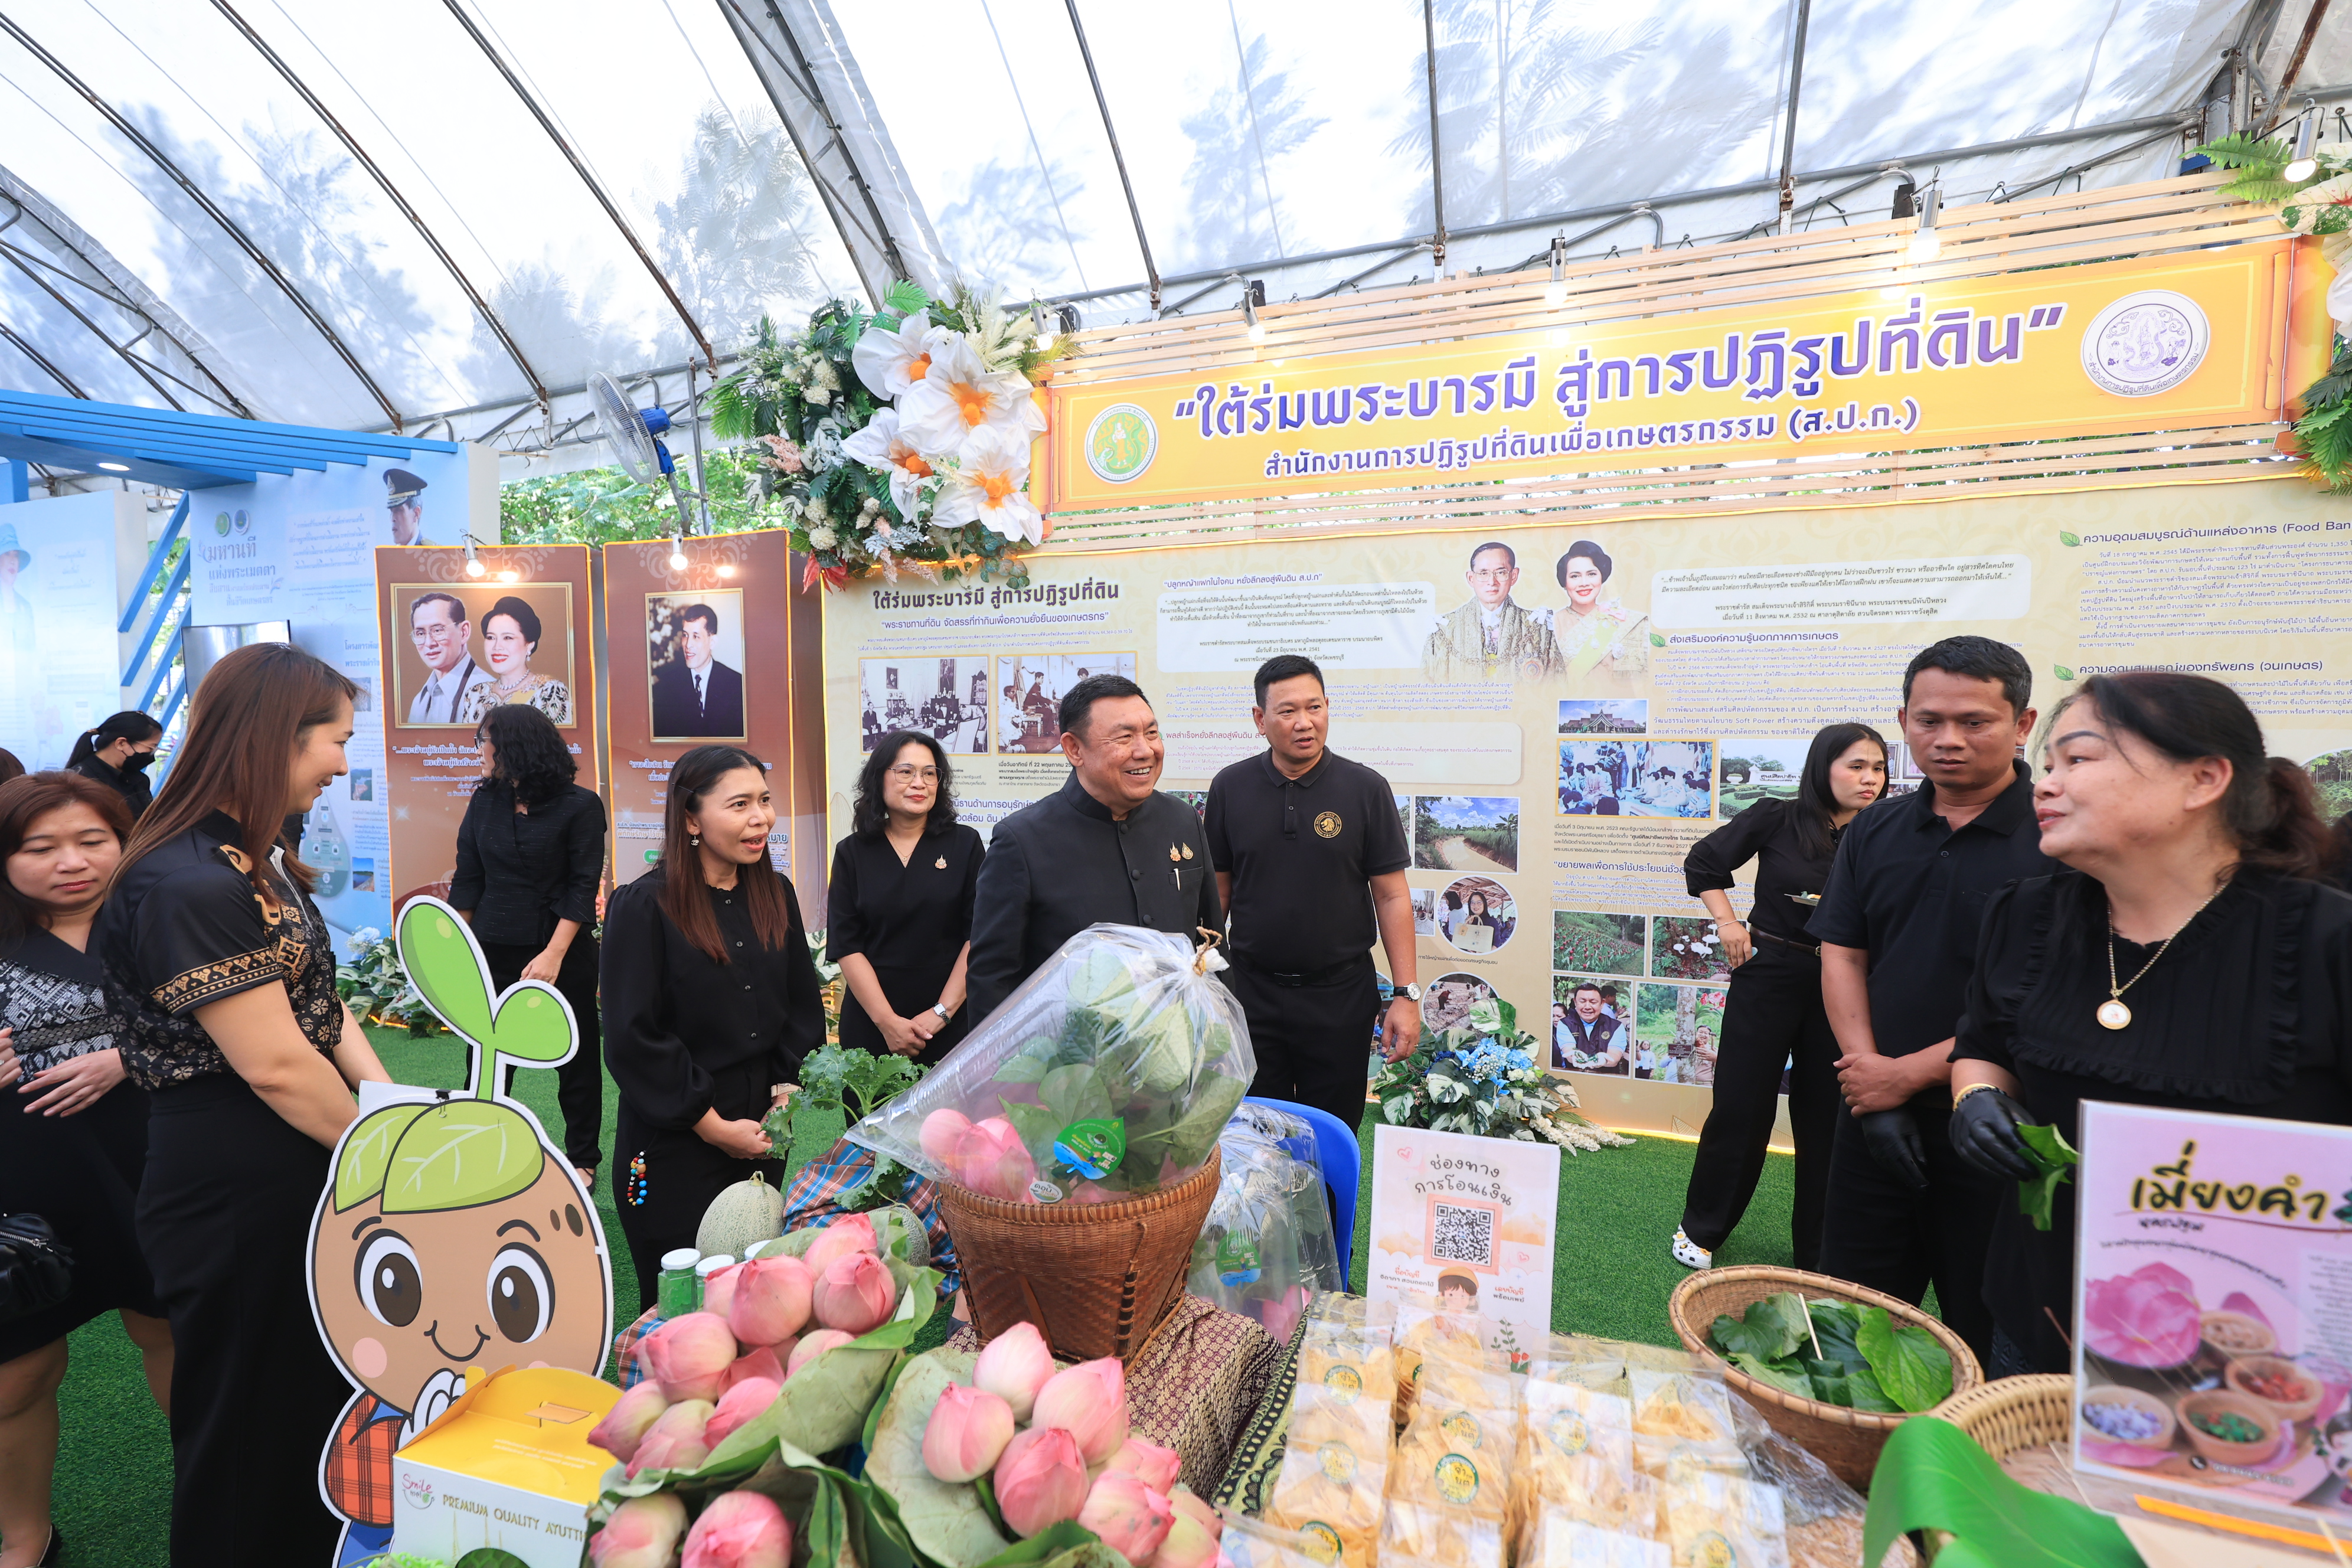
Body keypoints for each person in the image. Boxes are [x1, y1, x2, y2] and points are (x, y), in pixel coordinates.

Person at [1947, 672, 2352, 1376]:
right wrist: (1975, 1096)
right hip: (2042, 1322)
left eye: (2078, 759)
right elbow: (1983, 1045)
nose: (2045, 784)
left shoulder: (2326, 941)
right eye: (2048, 764)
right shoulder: (2025, 915)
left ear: (2203, 780)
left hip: (2260, 1359)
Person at [93, 642, 392, 1566]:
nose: (341, 762)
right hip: (232, 1172)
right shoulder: (188, 878)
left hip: (291, 1157)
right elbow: (276, 1066)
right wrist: (389, 1157)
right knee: (247, 1431)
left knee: (308, 1404)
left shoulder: (246, 857)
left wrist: (391, 1108)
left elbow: (320, 1010)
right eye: (335, 740)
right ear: (277, 736)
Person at [1811, 636, 2051, 1363]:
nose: (1948, 739)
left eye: (1974, 721)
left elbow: (2042, 994)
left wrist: (1907, 1076)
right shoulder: (1876, 827)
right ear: (1903, 722)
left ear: (2022, 723)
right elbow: (1843, 951)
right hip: (1871, 1115)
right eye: (1928, 720)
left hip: (1996, 1127)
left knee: (1985, 1334)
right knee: (1849, 1324)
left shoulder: (2058, 836)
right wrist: (1871, 1081)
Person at [0, 773, 172, 1568]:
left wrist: (126, 1057)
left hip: (158, 1164)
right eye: (41, 847)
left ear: (125, 841)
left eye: (92, 841)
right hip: (24, 1188)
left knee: (170, 1333)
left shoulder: (167, 918)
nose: (71, 862)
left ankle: (216, 1496)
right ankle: (24, 1536)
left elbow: (245, 1030)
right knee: (17, 1375)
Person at [600, 745, 821, 1309]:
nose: (761, 818)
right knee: (680, 1308)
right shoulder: (642, 906)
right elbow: (633, 1037)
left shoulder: (777, 894)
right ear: (692, 819)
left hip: (763, 1133)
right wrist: (713, 1126)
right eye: (740, 804)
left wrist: (785, 1096)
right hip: (674, 1141)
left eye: (765, 801)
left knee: (750, 1303)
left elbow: (801, 1006)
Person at [1674, 722, 1889, 1273]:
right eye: (1856, 766)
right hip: (1770, 971)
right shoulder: (1778, 816)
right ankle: (1702, 1228)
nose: (1870, 779)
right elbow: (1704, 861)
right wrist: (1728, 923)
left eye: (1878, 768)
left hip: (1845, 984)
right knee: (1741, 1107)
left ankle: (1818, 1252)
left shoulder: (1888, 830)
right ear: (1823, 768)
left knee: (1829, 1119)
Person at [1206, 655, 1420, 1132]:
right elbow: (1218, 894)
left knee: (1333, 1132)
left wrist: (1406, 994)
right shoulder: (1229, 787)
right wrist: (1204, 984)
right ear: (1260, 719)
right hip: (1252, 993)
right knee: (1256, 1133)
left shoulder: (1365, 788)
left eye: (1314, 707)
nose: (1304, 723)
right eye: (1287, 711)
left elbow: (1392, 897)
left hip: (1340, 996)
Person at [968, 675, 1221, 1023]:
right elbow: (992, 979)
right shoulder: (1022, 840)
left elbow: (1211, 941)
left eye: (1151, 733)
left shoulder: (1183, 819)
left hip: (1180, 1040)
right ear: (1074, 749)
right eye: (1124, 737)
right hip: (1070, 1050)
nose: (1145, 750)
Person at [449, 703, 607, 1184]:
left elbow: (583, 886)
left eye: (484, 741)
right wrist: (457, 949)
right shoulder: (485, 800)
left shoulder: (581, 805)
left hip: (561, 948)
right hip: (492, 946)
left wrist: (553, 955)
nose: (479, 750)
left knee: (576, 1056)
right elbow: (468, 877)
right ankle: (478, 1145)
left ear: (512, 747)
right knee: (486, 1055)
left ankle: (583, 1158)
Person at [828, 731, 984, 1067]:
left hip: (950, 1020)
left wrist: (941, 1013)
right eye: (905, 772)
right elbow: (847, 944)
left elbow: (979, 935)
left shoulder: (966, 844)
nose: (919, 783)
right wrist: (888, 1023)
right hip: (873, 1021)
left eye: (929, 773)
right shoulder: (852, 852)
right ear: (879, 779)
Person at [1422, 541, 1562, 683]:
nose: (1492, 582)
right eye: (1483, 573)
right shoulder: (1443, 630)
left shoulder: (1539, 628)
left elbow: (1556, 685)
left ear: (1514, 576)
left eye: (1501, 573)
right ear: (1471, 578)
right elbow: (1427, 686)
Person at [458, 596, 572, 726]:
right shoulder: (476, 694)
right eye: (490, 638)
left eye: (508, 638)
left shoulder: (549, 690)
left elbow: (557, 738)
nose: (497, 647)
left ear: (529, 645)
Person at [1551, 541, 1652, 686]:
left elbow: (1638, 684)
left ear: (1601, 577)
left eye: (1591, 574)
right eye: (1575, 576)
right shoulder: (1552, 623)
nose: (1584, 583)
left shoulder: (1624, 620)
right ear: (1565, 582)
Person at [649, 603, 745, 739]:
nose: (688, 645)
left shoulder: (737, 685)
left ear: (712, 642)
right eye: (685, 635)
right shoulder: (665, 687)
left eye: (696, 636)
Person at [404, 591, 491, 724]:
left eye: (438, 630)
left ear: (464, 632)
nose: (429, 643)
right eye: (420, 633)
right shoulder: (419, 701)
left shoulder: (488, 694)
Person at [64, 709, 164, 821]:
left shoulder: (139, 779)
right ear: (121, 743)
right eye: (151, 747)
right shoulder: (81, 780)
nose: (152, 753)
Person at [1556, 979, 1628, 1072]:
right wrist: (1576, 1056)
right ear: (1575, 1002)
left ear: (1602, 1003)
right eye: (1582, 1001)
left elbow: (1614, 1056)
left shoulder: (1616, 1027)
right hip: (1575, 1076)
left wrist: (1603, 1060)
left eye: (1593, 1002)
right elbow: (1569, 1049)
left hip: (1606, 1077)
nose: (1587, 1007)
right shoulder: (1565, 1024)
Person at [384, 466, 433, 547]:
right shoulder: (389, 554)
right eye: (391, 511)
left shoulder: (434, 552)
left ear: (416, 514)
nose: (393, 519)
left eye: (399, 510)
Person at [1453, 888, 1501, 953]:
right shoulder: (1469, 920)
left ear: (1484, 904)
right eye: (1473, 903)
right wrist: (1468, 926)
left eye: (1479, 903)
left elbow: (1497, 943)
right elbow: (1462, 939)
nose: (1476, 905)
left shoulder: (1491, 921)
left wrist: (1483, 955)